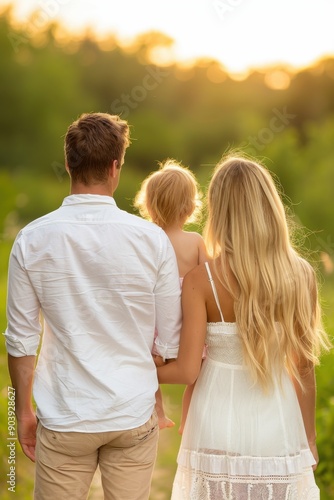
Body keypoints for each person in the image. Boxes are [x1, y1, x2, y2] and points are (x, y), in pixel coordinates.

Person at [4, 112, 182, 500]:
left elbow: (20, 342)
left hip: (65, 415)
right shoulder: (152, 240)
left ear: (69, 163)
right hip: (132, 414)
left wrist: (23, 414)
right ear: (116, 167)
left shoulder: (31, 239)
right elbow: (169, 343)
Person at [157, 154, 331, 499]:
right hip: (278, 424)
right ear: (269, 206)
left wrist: (142, 366)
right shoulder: (301, 275)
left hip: (213, 424)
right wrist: (308, 437)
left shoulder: (200, 281)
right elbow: (304, 366)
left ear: (219, 211)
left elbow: (188, 370)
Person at [134, 159, 207, 432]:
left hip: (157, 322)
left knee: (150, 368)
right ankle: (188, 422)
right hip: (189, 321)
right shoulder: (195, 241)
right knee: (198, 376)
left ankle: (159, 412)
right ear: (190, 207)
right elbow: (210, 277)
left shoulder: (147, 239)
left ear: (149, 205)